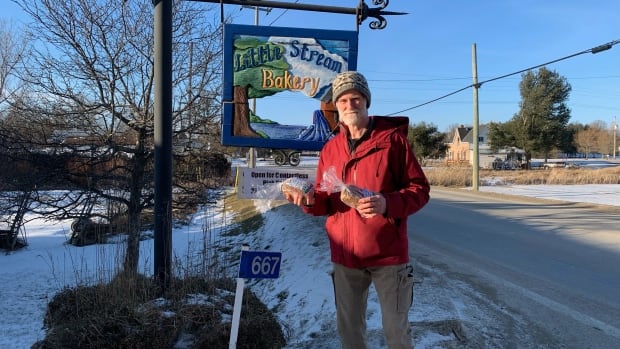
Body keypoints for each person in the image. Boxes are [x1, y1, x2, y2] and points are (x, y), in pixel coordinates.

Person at [283, 71, 431, 349]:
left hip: (388, 256)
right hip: (345, 257)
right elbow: (327, 201)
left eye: (356, 98)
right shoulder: (330, 149)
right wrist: (309, 201)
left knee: (396, 333)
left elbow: (420, 190)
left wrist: (388, 203)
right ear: (336, 107)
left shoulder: (393, 142)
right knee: (350, 334)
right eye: (343, 101)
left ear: (366, 101)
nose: (350, 105)